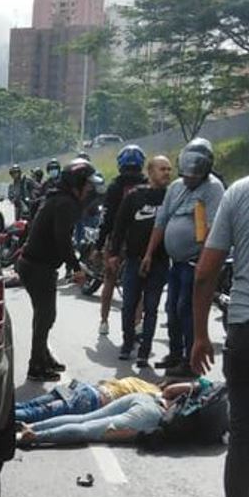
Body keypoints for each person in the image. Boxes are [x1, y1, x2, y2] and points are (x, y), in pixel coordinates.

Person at [191, 136, 249, 497]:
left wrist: (200, 335)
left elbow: (205, 274)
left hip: (248, 333)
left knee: (244, 442)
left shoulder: (239, 192)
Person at [143, 137, 224, 377]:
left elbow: (213, 228)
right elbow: (161, 221)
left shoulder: (213, 188)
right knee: (171, 309)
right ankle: (175, 354)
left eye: (193, 176)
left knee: (186, 309)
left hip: (195, 262)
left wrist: (204, 261)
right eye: (186, 174)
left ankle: (191, 359)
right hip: (175, 262)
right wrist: (149, 253)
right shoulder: (176, 187)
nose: (188, 179)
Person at [17, 158, 103, 381]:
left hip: (36, 265)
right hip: (38, 267)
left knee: (45, 315)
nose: (90, 189)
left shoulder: (59, 198)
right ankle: (36, 365)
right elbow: (62, 239)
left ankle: (43, 356)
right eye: (88, 185)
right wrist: (75, 268)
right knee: (45, 316)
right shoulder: (65, 203)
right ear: (77, 184)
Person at [109, 156, 172, 366]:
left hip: (161, 262)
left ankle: (145, 351)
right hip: (134, 260)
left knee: (152, 307)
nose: (166, 173)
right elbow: (119, 227)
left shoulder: (171, 197)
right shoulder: (134, 197)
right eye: (162, 169)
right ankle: (127, 344)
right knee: (128, 305)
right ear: (151, 171)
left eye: (169, 169)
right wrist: (113, 254)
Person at [95, 145, 147, 336]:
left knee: (109, 280)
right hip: (140, 241)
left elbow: (106, 218)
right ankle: (138, 321)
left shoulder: (115, 187)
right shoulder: (147, 185)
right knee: (139, 283)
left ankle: (104, 321)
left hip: (116, 241)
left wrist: (99, 245)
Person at [16, 376, 212, 424]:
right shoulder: (153, 393)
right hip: (90, 399)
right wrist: (199, 385)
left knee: (28, 406)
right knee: (32, 414)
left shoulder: (137, 382)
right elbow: (171, 391)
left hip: (84, 389)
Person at [17, 392, 165, 446]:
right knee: (87, 430)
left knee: (83, 418)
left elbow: (169, 390)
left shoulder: (153, 389)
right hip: (154, 412)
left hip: (144, 397)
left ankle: (32, 426)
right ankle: (34, 436)